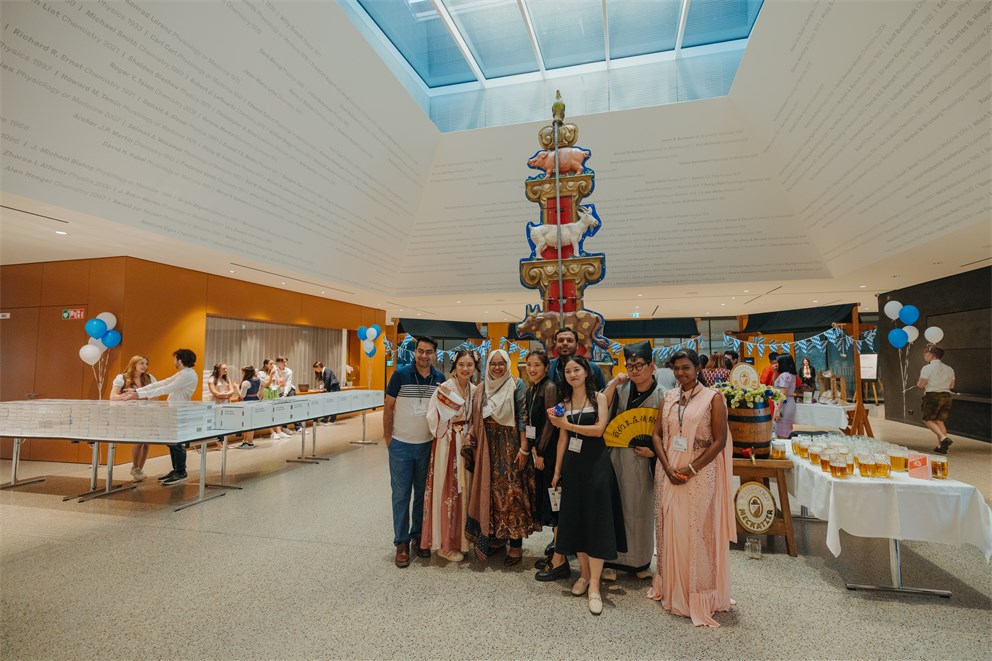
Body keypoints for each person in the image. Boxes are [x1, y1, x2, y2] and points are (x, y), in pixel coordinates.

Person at [648, 348, 735, 628]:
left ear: (697, 368)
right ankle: (672, 589)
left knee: (696, 531)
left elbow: (719, 441)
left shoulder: (713, 398)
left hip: (699, 473)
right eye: (676, 368)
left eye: (686, 367)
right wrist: (667, 467)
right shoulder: (669, 397)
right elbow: (656, 435)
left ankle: (697, 594)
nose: (681, 373)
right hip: (668, 470)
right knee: (670, 528)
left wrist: (692, 469)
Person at [547, 355, 626, 615]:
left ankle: (595, 585)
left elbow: (599, 429)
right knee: (576, 520)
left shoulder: (599, 398)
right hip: (573, 467)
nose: (572, 374)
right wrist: (557, 471)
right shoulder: (563, 404)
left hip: (597, 466)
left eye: (577, 370)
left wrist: (566, 424)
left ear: (586, 372)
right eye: (568, 371)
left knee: (596, 521)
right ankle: (583, 574)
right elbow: (562, 439)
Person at [463, 349, 539, 565]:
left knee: (513, 493)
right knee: (490, 492)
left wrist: (524, 449)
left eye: (501, 363)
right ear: (488, 366)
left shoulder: (516, 384)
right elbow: (475, 417)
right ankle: (496, 538)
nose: (497, 367)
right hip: (488, 447)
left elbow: (523, 417)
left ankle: (515, 545)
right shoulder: (481, 388)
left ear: (507, 365)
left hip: (511, 445)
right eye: (493, 364)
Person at [602, 341, 669, 580]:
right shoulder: (620, 389)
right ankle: (609, 561)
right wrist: (613, 383)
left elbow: (669, 432)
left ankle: (640, 562)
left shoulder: (664, 395)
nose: (635, 370)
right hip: (617, 457)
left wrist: (654, 452)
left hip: (644, 462)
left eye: (639, 365)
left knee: (641, 510)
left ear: (651, 366)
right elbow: (602, 410)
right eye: (630, 366)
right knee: (614, 507)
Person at [383, 336, 446, 568]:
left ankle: (419, 536)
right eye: (420, 351)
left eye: (428, 352)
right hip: (400, 444)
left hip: (427, 445)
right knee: (401, 495)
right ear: (415, 352)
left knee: (422, 494)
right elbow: (388, 406)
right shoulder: (400, 375)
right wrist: (388, 438)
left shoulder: (439, 379)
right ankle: (401, 542)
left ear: (434, 355)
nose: (424, 355)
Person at [421, 350, 477, 563]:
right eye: (461, 364)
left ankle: (461, 541)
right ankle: (445, 544)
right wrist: (447, 409)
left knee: (465, 490)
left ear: (474, 367)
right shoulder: (445, 388)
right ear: (455, 366)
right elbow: (431, 416)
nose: (465, 368)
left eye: (469, 365)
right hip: (447, 442)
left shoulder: (474, 389)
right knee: (447, 489)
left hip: (466, 442)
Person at [120, 349, 199, 486]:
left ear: (180, 360)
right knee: (172, 443)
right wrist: (137, 391)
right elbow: (163, 383)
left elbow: (166, 388)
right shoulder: (183, 373)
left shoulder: (188, 375)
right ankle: (176, 470)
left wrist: (138, 395)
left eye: (175, 359)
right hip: (173, 411)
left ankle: (181, 472)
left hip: (179, 411)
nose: (174, 361)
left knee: (177, 444)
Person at [526, 349, 566, 579]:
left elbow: (551, 424)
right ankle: (556, 555)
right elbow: (533, 423)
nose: (532, 369)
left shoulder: (549, 387)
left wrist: (540, 452)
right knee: (549, 504)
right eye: (529, 365)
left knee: (555, 503)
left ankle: (560, 559)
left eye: (537, 365)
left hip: (549, 455)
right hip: (538, 452)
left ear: (546, 367)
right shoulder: (533, 388)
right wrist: (532, 447)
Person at [109, 355, 157, 482]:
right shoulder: (122, 378)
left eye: (146, 363)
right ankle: (135, 467)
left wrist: (136, 396)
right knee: (138, 441)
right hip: (131, 415)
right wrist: (128, 396)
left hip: (148, 414)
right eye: (142, 363)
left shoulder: (150, 378)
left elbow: (155, 397)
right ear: (134, 364)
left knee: (146, 443)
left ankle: (138, 469)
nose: (145, 366)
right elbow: (113, 397)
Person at [918, 345, 955, 454]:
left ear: (931, 355)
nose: (924, 356)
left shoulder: (927, 368)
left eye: (925, 354)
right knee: (940, 420)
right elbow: (952, 385)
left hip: (933, 396)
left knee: (927, 419)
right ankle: (941, 447)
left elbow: (921, 384)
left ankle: (944, 438)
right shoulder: (949, 368)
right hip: (947, 396)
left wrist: (919, 383)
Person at [548, 327, 607, 391]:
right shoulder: (547, 367)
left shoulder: (593, 368)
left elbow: (604, 394)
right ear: (555, 345)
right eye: (561, 340)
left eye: (569, 340)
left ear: (577, 345)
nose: (565, 343)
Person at [774, 354, 798, 439]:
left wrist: (778, 409)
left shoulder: (784, 375)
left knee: (782, 432)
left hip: (784, 405)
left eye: (778, 362)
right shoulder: (790, 374)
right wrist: (775, 372)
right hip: (788, 403)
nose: (776, 364)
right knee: (785, 430)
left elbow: (783, 393)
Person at [238, 365, 261, 449]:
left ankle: (250, 442)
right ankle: (246, 441)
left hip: (247, 402)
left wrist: (237, 387)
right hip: (255, 400)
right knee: (249, 422)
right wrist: (259, 393)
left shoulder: (246, 382)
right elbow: (265, 384)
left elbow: (242, 395)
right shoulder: (258, 379)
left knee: (248, 423)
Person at [274, 356, 297, 433]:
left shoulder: (289, 371)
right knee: (283, 410)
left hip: (288, 391)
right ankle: (284, 427)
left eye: (286, 362)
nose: (285, 363)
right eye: (283, 362)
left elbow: (288, 383)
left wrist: (285, 394)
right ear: (278, 362)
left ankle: (298, 427)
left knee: (294, 408)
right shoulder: (274, 370)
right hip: (277, 391)